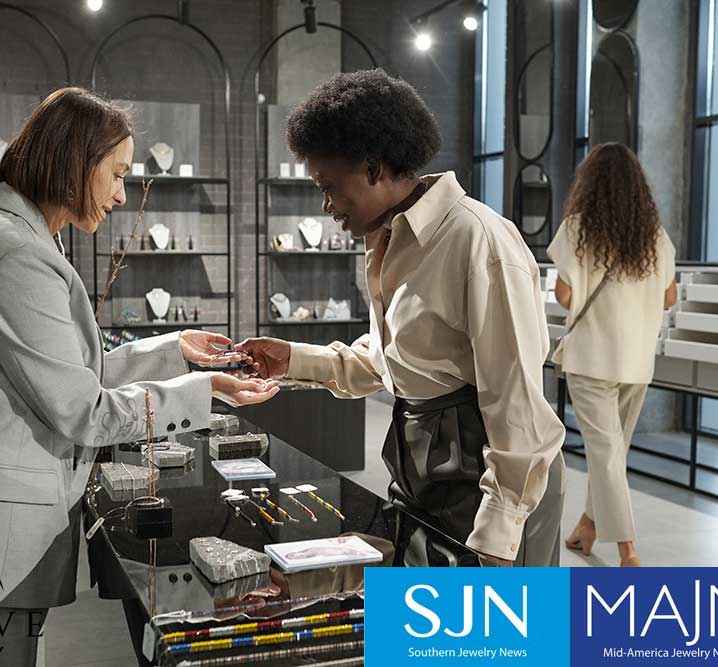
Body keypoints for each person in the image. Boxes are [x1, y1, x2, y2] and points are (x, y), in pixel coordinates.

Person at [0, 87, 277, 665]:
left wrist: (174, 351)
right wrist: (206, 389)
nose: (122, 194)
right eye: (116, 175)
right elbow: (82, 410)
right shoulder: (17, 253)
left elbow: (64, 375)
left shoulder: (21, 237)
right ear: (75, 161)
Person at [238, 69, 565, 567]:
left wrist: (498, 534)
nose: (326, 206)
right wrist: (293, 359)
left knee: (493, 642)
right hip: (426, 468)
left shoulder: (477, 241)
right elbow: (393, 360)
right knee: (418, 639)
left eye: (330, 186)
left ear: (373, 168)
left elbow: (516, 400)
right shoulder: (389, 238)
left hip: (493, 482)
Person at [550, 142, 677, 568]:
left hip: (592, 359)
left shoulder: (577, 229)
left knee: (605, 453)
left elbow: (565, 293)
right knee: (612, 452)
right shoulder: (654, 237)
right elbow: (668, 297)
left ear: (590, 184)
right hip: (637, 362)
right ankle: (588, 526)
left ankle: (628, 550)